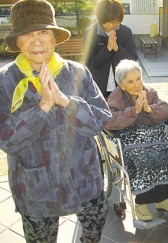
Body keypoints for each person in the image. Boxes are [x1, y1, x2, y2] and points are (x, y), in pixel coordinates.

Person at [0, 0, 112, 242]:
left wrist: (65, 102)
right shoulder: (6, 81)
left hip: (84, 178)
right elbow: (6, 140)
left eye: (43, 32)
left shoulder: (77, 72)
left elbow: (100, 119)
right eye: (27, 34)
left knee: (93, 233)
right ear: (17, 41)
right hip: (36, 187)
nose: (37, 40)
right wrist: (41, 108)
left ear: (54, 38)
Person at [106, 59, 168, 221]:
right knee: (143, 159)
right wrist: (135, 110)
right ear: (121, 85)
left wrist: (148, 109)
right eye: (130, 81)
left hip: (153, 137)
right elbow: (110, 121)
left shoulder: (150, 93)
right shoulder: (115, 98)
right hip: (130, 138)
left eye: (138, 78)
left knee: (165, 153)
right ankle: (141, 203)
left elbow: (166, 111)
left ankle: (161, 199)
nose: (136, 84)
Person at [83, 0, 138, 98]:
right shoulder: (90, 33)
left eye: (117, 22)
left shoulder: (125, 32)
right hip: (99, 87)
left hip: (123, 87)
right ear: (101, 19)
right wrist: (107, 49)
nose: (113, 26)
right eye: (109, 23)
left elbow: (133, 59)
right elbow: (90, 63)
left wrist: (117, 49)